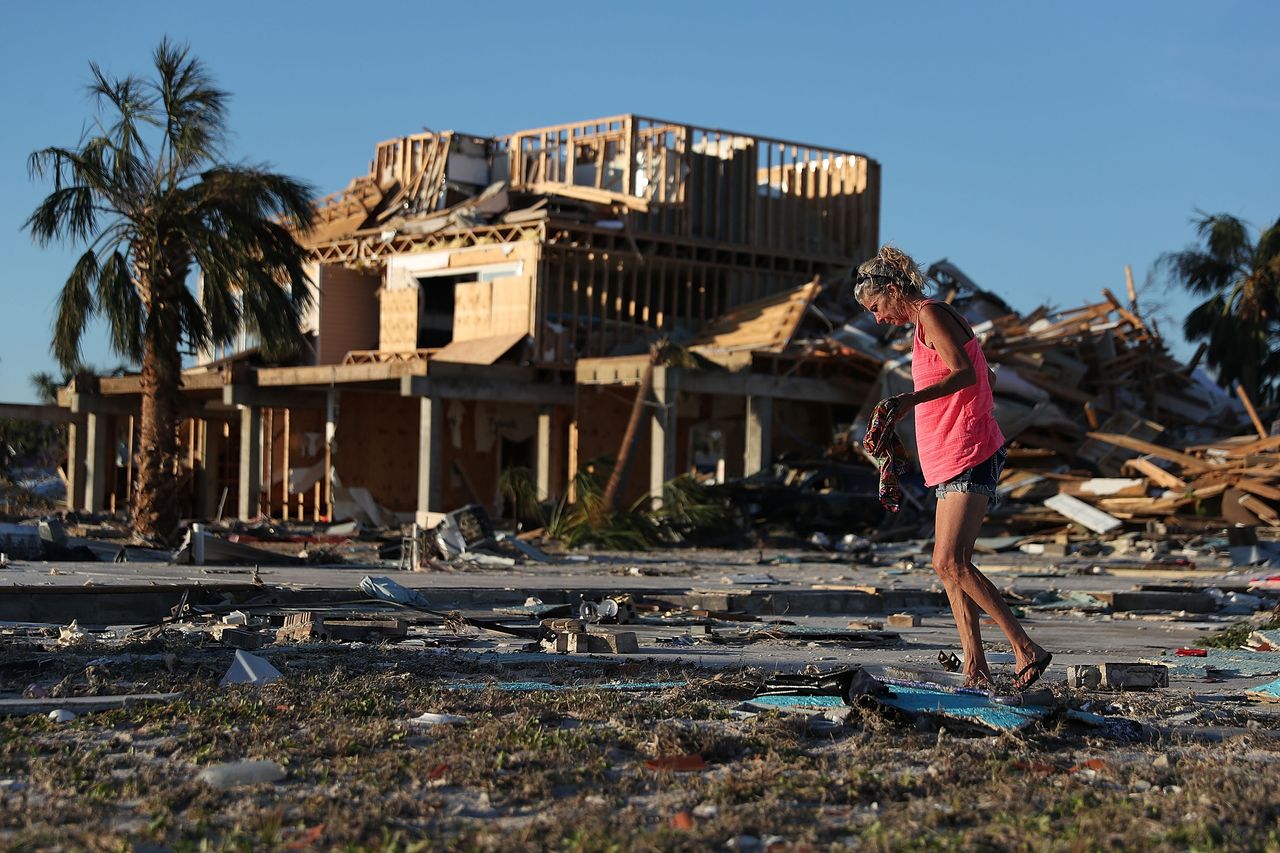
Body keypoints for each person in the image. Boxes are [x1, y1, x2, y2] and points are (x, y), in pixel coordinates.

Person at [856, 245, 1051, 690]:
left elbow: (964, 372)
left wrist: (910, 401)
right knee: (945, 564)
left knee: (952, 561)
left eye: (875, 307)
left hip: (970, 448)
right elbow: (986, 375)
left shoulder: (931, 315)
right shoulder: (929, 321)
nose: (877, 319)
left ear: (891, 290)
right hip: (951, 452)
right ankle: (975, 666)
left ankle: (1026, 649)